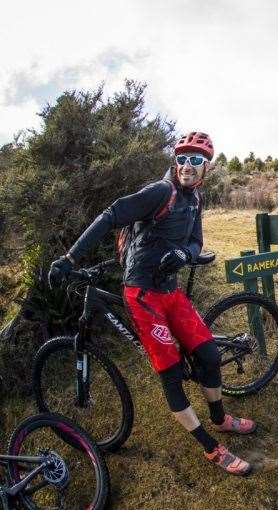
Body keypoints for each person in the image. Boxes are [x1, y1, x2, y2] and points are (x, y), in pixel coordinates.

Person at [48, 132, 255, 476]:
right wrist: (69, 258)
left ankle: (220, 419)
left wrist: (183, 253)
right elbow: (110, 215)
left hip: (170, 291)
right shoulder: (160, 192)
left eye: (197, 160)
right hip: (143, 294)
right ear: (175, 162)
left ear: (207, 168)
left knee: (209, 355)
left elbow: (195, 242)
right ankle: (210, 447)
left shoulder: (196, 199)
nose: (188, 166)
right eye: (183, 158)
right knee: (171, 373)